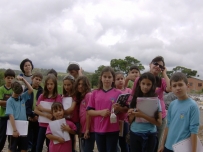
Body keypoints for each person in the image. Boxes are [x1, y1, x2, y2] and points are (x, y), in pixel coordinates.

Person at [131, 56, 170, 148]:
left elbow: (170, 88)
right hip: (140, 115)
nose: (157, 66)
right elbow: (133, 95)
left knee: (155, 145)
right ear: (150, 64)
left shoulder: (162, 81)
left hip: (159, 115)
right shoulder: (139, 79)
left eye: (161, 66)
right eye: (155, 63)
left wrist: (164, 73)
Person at [158, 72, 200, 152]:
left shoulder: (193, 106)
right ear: (171, 88)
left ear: (187, 86)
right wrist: (162, 144)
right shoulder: (172, 105)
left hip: (182, 148)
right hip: (168, 146)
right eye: (174, 86)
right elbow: (168, 125)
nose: (177, 88)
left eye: (180, 85)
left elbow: (194, 131)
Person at [87, 66, 122, 152]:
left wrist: (118, 109)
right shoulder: (95, 93)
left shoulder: (118, 93)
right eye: (105, 77)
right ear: (101, 78)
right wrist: (100, 112)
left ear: (113, 79)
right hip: (99, 129)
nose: (107, 79)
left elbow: (123, 111)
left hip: (113, 128)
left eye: (109, 77)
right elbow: (89, 111)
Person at [128, 72, 162, 152]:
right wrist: (132, 113)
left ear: (152, 85)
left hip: (150, 135)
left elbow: (159, 123)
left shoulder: (156, 101)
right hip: (135, 133)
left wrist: (142, 115)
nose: (145, 87)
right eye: (143, 83)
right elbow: (130, 120)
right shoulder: (134, 99)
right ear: (139, 83)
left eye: (148, 84)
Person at [34, 74, 62, 152]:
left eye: (51, 84)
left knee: (50, 146)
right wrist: (45, 114)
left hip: (52, 125)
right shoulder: (42, 96)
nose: (49, 86)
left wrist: (43, 109)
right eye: (48, 84)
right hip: (42, 125)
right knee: (39, 145)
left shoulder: (58, 97)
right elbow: (36, 110)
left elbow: (58, 111)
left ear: (55, 85)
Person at [6, 76, 33, 152]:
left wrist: (23, 79)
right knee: (12, 148)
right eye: (18, 93)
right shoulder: (10, 101)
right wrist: (14, 130)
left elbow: (31, 89)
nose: (19, 94)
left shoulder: (22, 97)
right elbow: (11, 115)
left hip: (23, 126)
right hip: (14, 126)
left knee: (23, 148)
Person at [76, 76, 95, 152]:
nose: (80, 86)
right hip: (84, 128)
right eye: (79, 84)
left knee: (87, 149)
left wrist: (87, 129)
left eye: (82, 84)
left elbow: (89, 113)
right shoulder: (82, 97)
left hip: (90, 129)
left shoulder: (88, 95)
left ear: (86, 85)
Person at [25, 72, 43, 152]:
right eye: (36, 79)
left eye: (39, 80)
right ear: (32, 79)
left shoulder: (42, 92)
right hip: (28, 117)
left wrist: (37, 116)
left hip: (38, 117)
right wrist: (31, 115)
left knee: (36, 137)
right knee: (27, 137)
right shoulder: (27, 90)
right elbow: (25, 104)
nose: (38, 81)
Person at [115, 72, 131, 152]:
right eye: (118, 79)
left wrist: (121, 108)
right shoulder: (113, 91)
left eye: (122, 79)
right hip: (113, 121)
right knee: (115, 143)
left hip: (124, 121)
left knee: (124, 143)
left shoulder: (128, 90)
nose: (120, 81)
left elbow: (129, 106)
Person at [62, 75, 79, 152]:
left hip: (74, 120)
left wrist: (61, 112)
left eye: (68, 85)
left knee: (72, 137)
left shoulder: (75, 96)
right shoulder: (64, 95)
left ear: (73, 84)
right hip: (66, 119)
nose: (66, 87)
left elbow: (71, 109)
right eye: (65, 85)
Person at [0, 69, 15, 151]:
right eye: (8, 78)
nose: (10, 80)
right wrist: (11, 103)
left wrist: (5, 102)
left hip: (12, 117)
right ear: (4, 78)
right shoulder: (1, 89)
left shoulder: (14, 89)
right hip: (3, 116)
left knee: (11, 138)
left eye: (12, 78)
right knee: (2, 137)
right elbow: (0, 102)